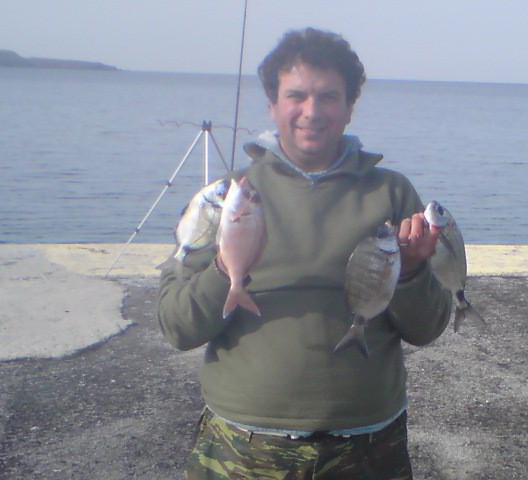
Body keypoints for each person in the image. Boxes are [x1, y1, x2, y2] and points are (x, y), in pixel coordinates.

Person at [158, 27, 452, 479]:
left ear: (349, 107)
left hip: (368, 445)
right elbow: (177, 327)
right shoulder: (224, 198)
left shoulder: (392, 193)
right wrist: (225, 267)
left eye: (329, 97)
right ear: (272, 105)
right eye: (296, 95)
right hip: (241, 445)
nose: (312, 112)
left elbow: (427, 328)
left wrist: (411, 272)